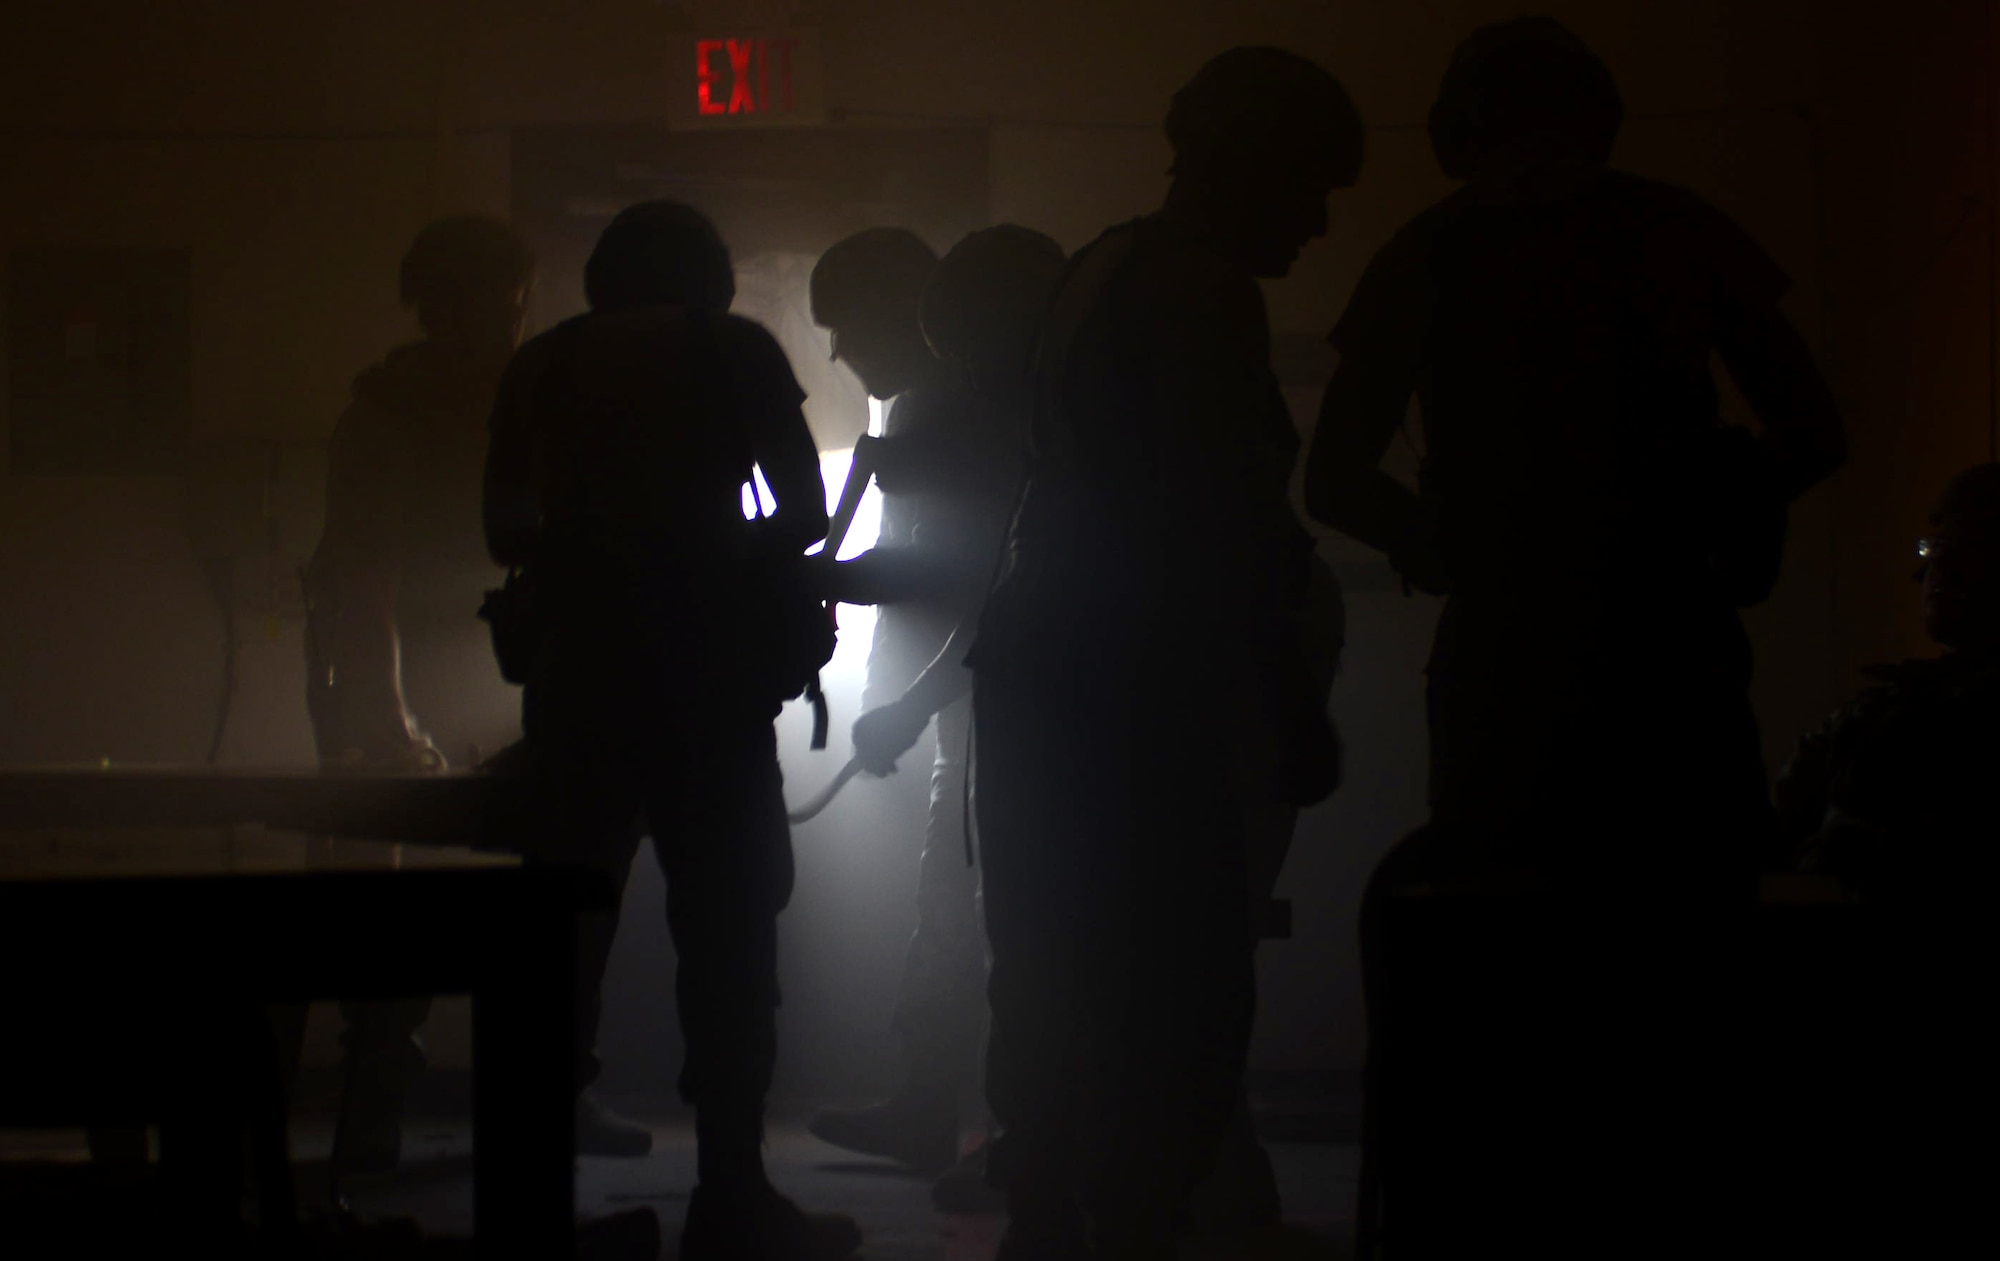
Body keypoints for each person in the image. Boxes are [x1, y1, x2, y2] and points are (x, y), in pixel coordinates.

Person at [1305, 19, 1846, 1255]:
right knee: (1658, 969)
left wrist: (1456, 547)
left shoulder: (1434, 252)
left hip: (1541, 654)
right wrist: (1713, 513)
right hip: (1649, 648)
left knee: (1519, 970)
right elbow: (1811, 433)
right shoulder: (1668, 231)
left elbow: (1337, 476)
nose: (1537, 164)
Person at [965, 49, 1360, 1260]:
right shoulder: (1203, 293)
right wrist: (1290, 703)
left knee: (1045, 964)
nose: (1316, 219)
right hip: (1137, 682)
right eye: (1308, 187)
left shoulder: (1101, 265)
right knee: (1175, 985)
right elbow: (1215, 519)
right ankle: (1137, 1227)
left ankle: (1046, 1219)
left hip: (1044, 658)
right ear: (1257, 169)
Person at [483, 200, 856, 1261]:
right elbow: (801, 514)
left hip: (575, 683)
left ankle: (535, 1204)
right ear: (711, 278)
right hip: (709, 686)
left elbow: (501, 527)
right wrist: (708, 549)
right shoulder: (731, 349)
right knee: (731, 940)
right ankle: (731, 1192)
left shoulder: (541, 365)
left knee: (560, 938)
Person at [295, 215, 659, 1173]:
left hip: (524, 666)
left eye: (506, 306)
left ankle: (549, 1092)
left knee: (556, 894)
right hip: (422, 666)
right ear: (434, 307)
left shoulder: (534, 393)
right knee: (395, 907)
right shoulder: (389, 412)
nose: (496, 325)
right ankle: (376, 1096)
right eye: (478, 307)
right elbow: (364, 570)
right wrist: (384, 706)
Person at [809, 227, 1066, 1199]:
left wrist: (905, 701)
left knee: (1001, 923)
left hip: (987, 698)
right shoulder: (937, 407)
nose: (836, 352)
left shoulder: (980, 410)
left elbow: (973, 582)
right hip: (962, 699)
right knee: (953, 914)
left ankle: (1018, 1137)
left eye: (843, 326)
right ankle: (940, 1110)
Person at [1776, 463, 2000, 895]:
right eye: (1935, 547)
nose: (1938, 567)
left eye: (1968, 546)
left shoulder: (1943, 713)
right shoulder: (1885, 705)